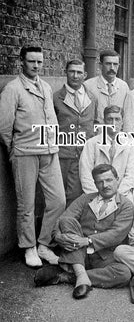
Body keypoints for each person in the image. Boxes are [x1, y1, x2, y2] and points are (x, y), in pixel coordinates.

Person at [0, 45, 66, 267]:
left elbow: (51, 120)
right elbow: (4, 127)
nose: (36, 66)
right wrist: (16, 149)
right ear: (22, 61)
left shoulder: (46, 87)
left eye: (39, 61)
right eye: (31, 61)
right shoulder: (13, 89)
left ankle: (44, 244)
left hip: (49, 151)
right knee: (26, 205)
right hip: (25, 153)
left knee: (58, 200)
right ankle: (29, 248)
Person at [34, 164, 134, 299]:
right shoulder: (85, 198)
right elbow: (63, 219)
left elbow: (116, 234)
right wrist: (57, 236)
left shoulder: (126, 205)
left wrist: (87, 241)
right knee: (67, 221)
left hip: (103, 256)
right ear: (95, 184)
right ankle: (80, 276)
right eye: (100, 182)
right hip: (78, 251)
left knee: (124, 273)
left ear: (117, 179)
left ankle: (66, 276)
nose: (105, 185)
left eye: (109, 180)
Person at [53, 59, 98, 205]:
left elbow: (94, 123)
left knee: (79, 197)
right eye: (72, 71)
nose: (75, 75)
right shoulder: (55, 98)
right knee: (61, 198)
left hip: (84, 156)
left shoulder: (92, 98)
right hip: (63, 156)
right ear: (65, 72)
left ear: (85, 75)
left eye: (79, 72)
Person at [79, 105, 134, 201]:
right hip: (95, 195)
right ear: (104, 121)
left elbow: (132, 175)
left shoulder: (130, 144)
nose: (113, 123)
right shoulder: (92, 143)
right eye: (110, 119)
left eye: (117, 119)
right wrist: (97, 197)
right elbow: (85, 174)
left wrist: (117, 196)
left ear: (122, 121)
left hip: (122, 195)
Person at [84, 50, 130, 124]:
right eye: (108, 64)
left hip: (117, 132)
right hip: (97, 132)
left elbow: (127, 115)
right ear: (100, 65)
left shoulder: (124, 87)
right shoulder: (88, 86)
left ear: (119, 65)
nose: (112, 68)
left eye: (115, 64)